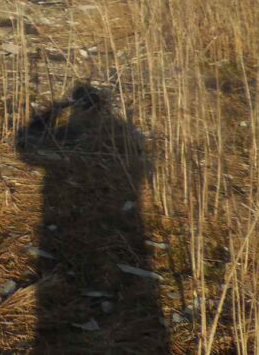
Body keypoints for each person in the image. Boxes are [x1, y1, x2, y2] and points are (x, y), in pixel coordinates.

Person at [16, 84, 168, 353]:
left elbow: (25, 150)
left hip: (78, 222)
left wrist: (50, 113)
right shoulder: (123, 132)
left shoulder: (108, 135)